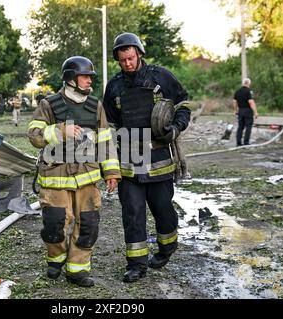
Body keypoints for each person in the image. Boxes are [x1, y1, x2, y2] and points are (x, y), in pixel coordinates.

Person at [103, 32, 191, 283]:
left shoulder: (162, 77)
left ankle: (167, 247)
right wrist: (109, 164)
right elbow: (109, 126)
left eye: (130, 58)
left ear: (139, 54)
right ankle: (136, 264)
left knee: (163, 209)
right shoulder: (115, 87)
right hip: (129, 161)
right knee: (132, 213)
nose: (127, 64)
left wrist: (176, 127)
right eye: (122, 61)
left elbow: (183, 105)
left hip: (159, 156)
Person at [28, 56, 121, 287]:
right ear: (70, 78)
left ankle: (77, 269)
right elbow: (34, 135)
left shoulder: (95, 106)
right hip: (55, 177)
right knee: (54, 224)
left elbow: (106, 141)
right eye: (85, 76)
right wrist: (60, 130)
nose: (90, 80)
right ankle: (56, 259)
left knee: (88, 224)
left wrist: (111, 172)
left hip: (87, 179)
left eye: (90, 76)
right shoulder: (48, 105)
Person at [233, 78, 259, 146]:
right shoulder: (249, 91)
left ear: (243, 83)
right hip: (248, 111)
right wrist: (255, 112)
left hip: (240, 111)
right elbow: (251, 102)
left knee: (240, 127)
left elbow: (234, 102)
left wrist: (235, 110)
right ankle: (246, 142)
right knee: (248, 127)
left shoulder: (237, 91)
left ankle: (238, 142)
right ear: (249, 83)